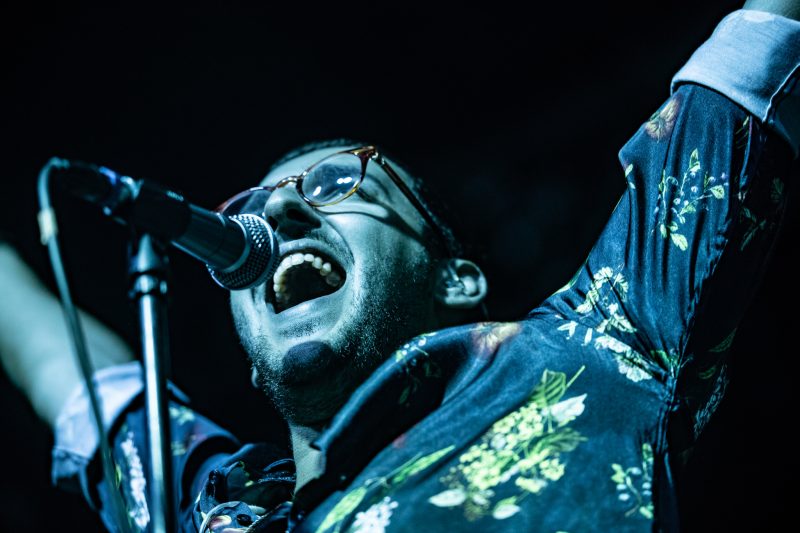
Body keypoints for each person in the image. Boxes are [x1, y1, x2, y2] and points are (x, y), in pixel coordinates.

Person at [1, 1, 798, 531]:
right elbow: (61, 361)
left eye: (335, 183)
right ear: (249, 360)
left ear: (459, 279)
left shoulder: (587, 348)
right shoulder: (220, 509)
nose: (278, 215)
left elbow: (751, 59)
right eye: (257, 203)